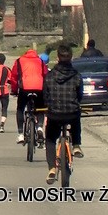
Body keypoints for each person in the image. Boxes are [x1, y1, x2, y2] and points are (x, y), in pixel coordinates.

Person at [43, 43, 84, 183]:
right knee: (76, 118)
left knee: (50, 139)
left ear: (58, 57)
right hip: (71, 113)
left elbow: (45, 95)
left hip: (54, 114)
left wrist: (49, 105)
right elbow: (80, 95)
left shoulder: (49, 76)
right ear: (71, 57)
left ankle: (52, 168)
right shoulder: (77, 75)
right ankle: (76, 145)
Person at [9, 45, 47, 144]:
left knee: (20, 109)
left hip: (24, 88)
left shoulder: (19, 61)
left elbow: (14, 77)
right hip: (39, 88)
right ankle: (40, 127)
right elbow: (45, 75)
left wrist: (14, 90)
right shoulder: (40, 61)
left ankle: (20, 134)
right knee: (40, 108)